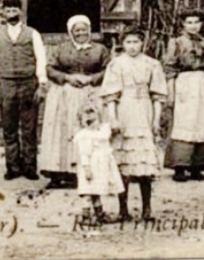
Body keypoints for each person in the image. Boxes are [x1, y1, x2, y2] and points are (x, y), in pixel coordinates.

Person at [100, 28, 167, 222]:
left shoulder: (152, 64)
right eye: (128, 43)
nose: (132, 47)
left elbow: (158, 96)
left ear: (142, 43)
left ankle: (147, 209)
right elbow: (111, 96)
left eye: (135, 42)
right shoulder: (116, 64)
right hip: (125, 111)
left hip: (144, 111)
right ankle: (123, 209)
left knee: (144, 162)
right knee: (124, 162)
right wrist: (113, 118)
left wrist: (156, 120)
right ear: (123, 44)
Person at [40, 14, 111, 188]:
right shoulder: (61, 49)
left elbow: (109, 69)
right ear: (71, 32)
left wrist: (92, 78)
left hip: (92, 93)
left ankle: (88, 172)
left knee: (89, 130)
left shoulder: (100, 49)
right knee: (62, 131)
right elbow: (49, 68)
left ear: (89, 30)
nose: (81, 33)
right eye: (77, 30)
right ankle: (59, 173)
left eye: (84, 29)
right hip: (66, 93)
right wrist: (67, 77)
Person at [0, 0, 48, 180]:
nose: (11, 13)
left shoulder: (32, 33)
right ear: (3, 12)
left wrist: (42, 83)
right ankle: (13, 167)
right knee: (9, 127)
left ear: (20, 11)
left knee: (29, 128)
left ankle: (30, 166)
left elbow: (41, 59)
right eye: (8, 10)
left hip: (28, 84)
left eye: (14, 10)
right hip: (7, 84)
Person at [162, 9, 204, 181]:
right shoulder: (176, 42)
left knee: (202, 121)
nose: (193, 26)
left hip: (202, 83)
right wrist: (171, 91)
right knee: (184, 122)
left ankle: (197, 166)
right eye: (189, 22)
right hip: (184, 82)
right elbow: (170, 67)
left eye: (196, 22)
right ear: (183, 24)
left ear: (201, 24)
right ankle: (180, 166)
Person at [72, 101, 125, 226]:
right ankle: (85, 216)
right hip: (91, 165)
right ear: (81, 122)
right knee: (87, 192)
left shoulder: (103, 130)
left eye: (93, 119)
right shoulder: (84, 135)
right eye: (87, 120)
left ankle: (99, 214)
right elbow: (84, 154)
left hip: (102, 165)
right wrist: (86, 169)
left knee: (96, 191)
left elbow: (110, 132)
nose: (91, 122)